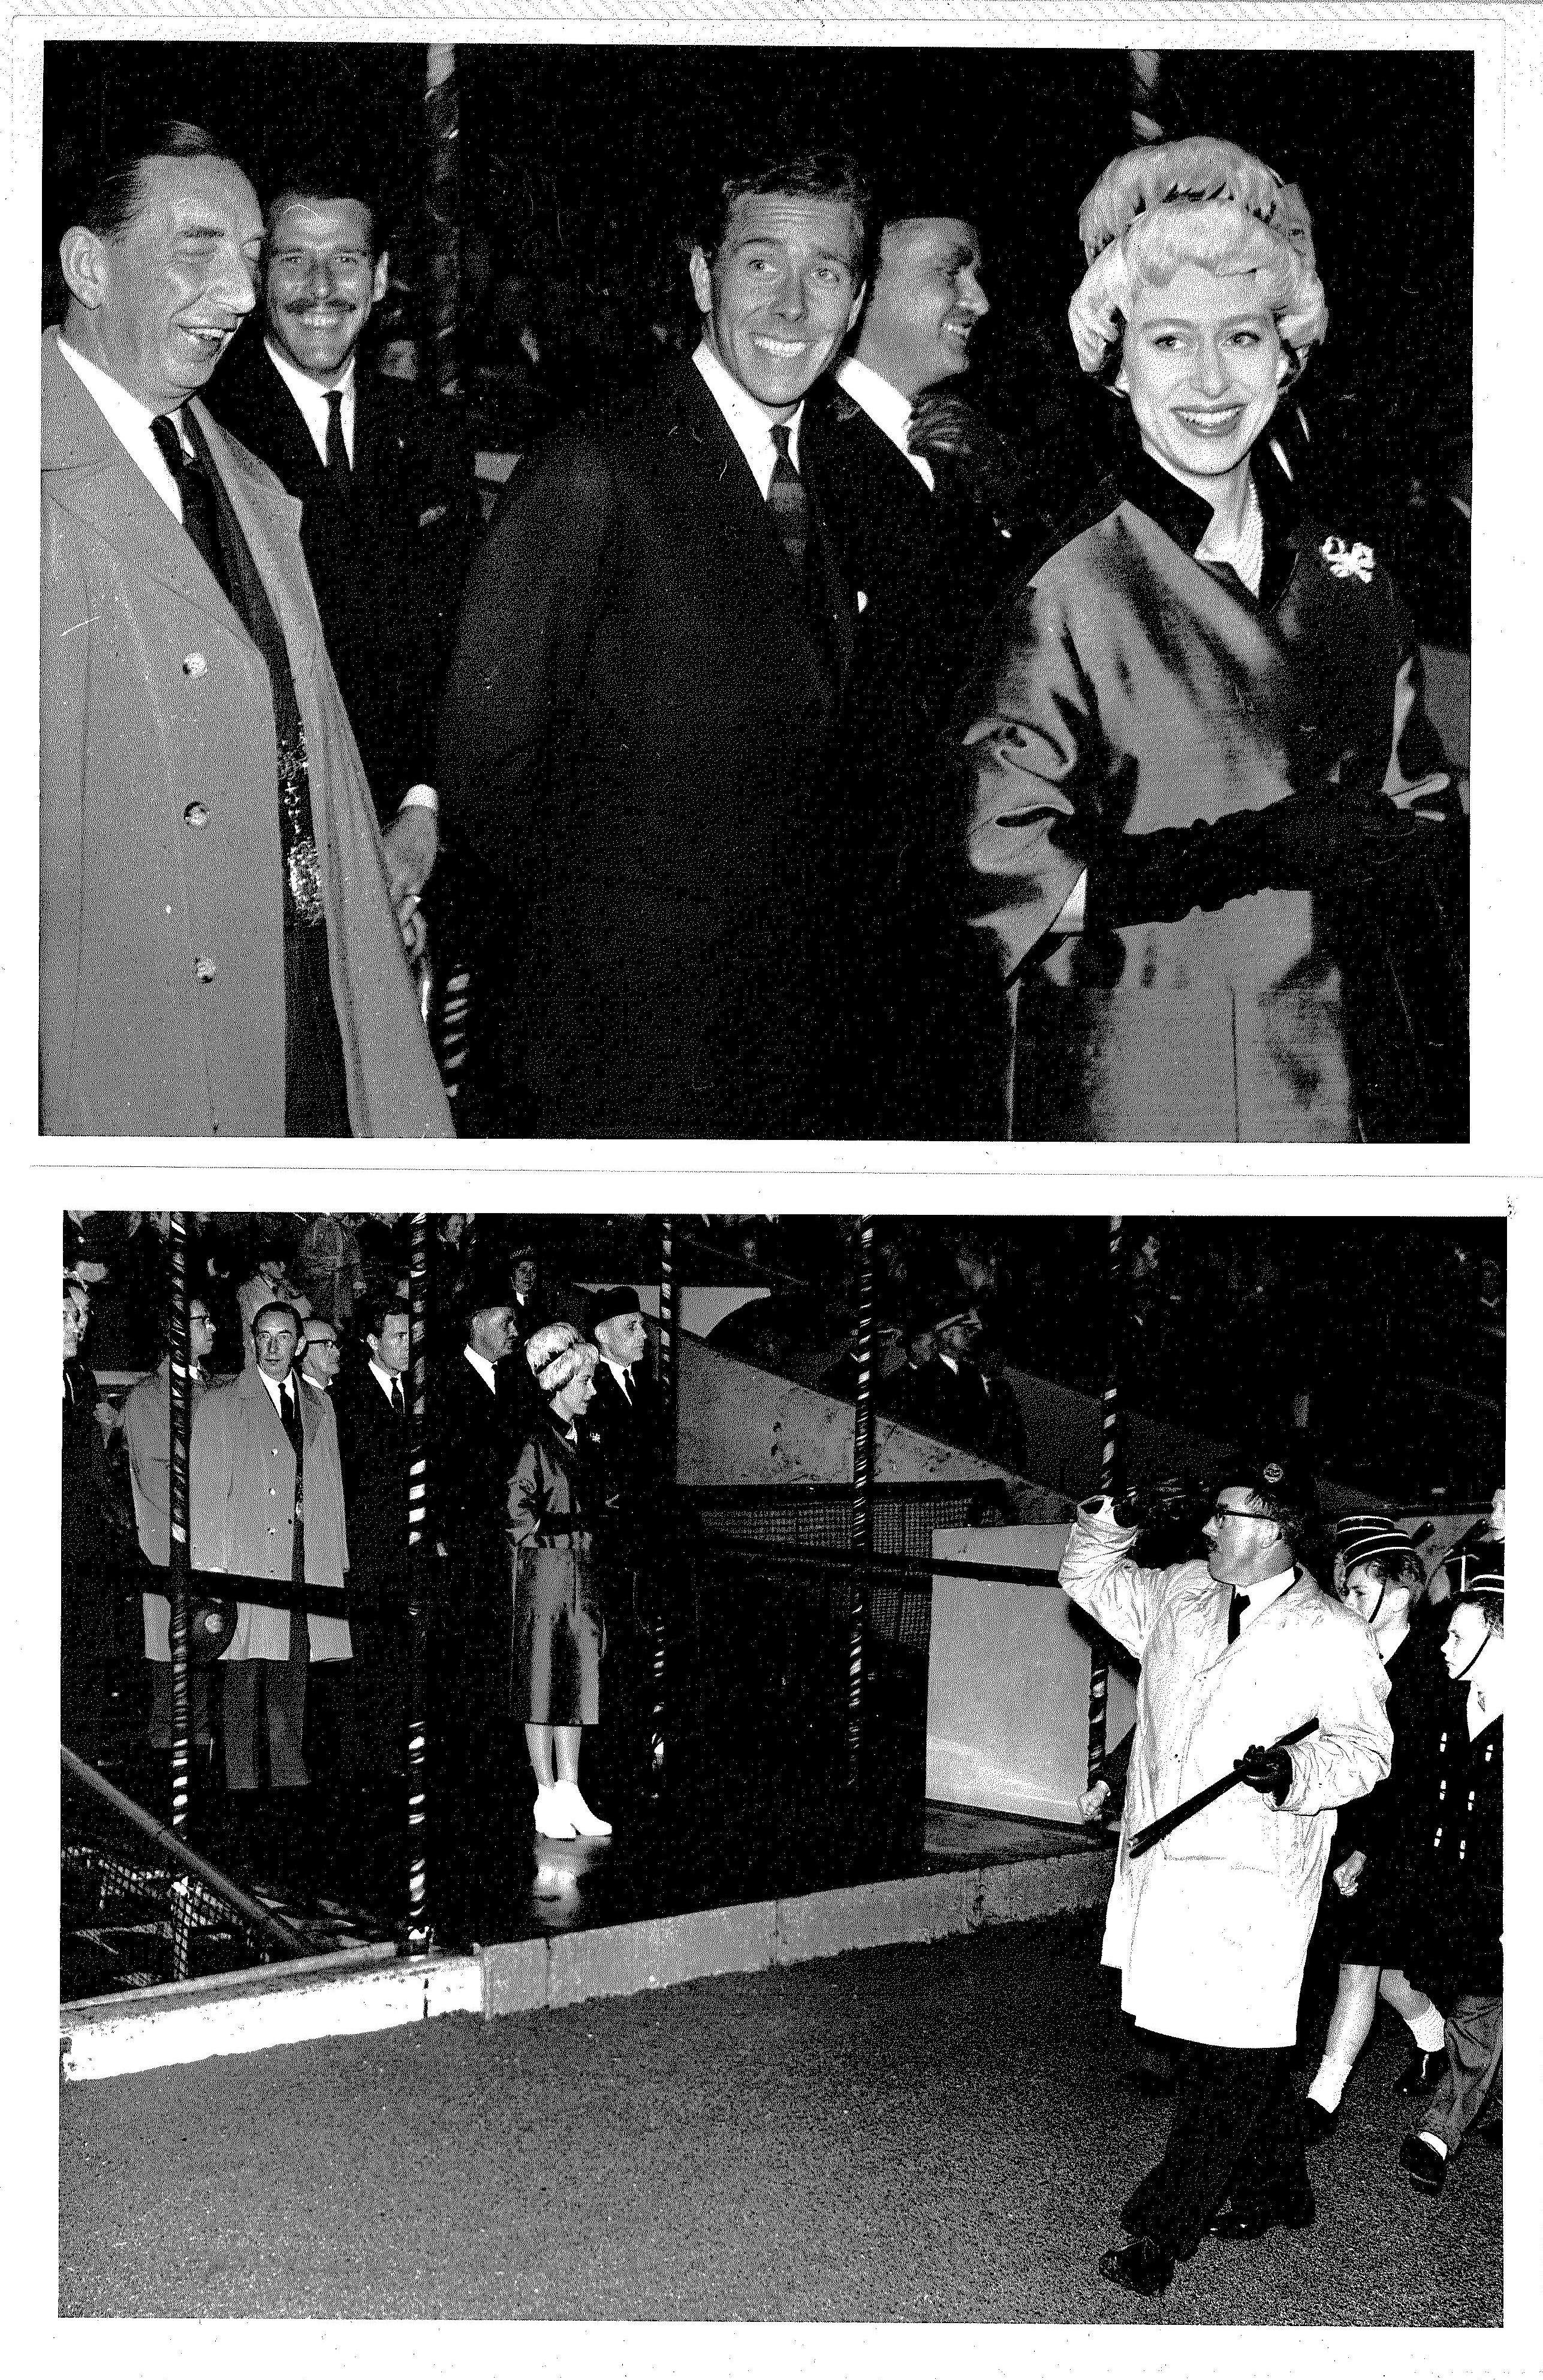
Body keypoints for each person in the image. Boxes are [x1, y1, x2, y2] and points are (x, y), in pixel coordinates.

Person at [958, 135, 1467, 1142]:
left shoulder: (1348, 579)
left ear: (1287, 354)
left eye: (1239, 337)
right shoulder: (1066, 588)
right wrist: (1242, 852)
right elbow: (997, 878)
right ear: (1113, 361)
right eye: (1165, 341)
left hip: (1339, 1086)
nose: (1206, 381)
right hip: (1144, 1084)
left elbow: (1419, 820)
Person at [436, 152, 867, 1135]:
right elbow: (484, 756)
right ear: (701, 276)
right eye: (760, 265)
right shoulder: (596, 466)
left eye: (826, 273)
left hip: (768, 1037)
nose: (792, 305)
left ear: (857, 299)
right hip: (616, 1045)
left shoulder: (831, 477)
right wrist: (605, 929)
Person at [41, 119, 453, 1137]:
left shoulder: (247, 484)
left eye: (247, 257)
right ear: (88, 265)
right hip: (123, 1060)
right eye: (198, 251)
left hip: (291, 1014)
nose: (238, 294)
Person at [1058, 1458, 1391, 2298]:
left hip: (1257, 1882)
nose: (1207, 1527)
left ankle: (1158, 2234)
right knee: (1221, 2042)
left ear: (1274, 1528)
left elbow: (1365, 1749)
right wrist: (1113, 1513)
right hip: (1171, 1870)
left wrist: (1294, 1772)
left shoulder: (1331, 1633)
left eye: (1224, 1515)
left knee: (1224, 2060)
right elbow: (1087, 1575)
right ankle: (1281, 2185)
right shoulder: (1176, 1593)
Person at [803, 194, 1032, 1132]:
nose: (977, 297)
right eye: (953, 268)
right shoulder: (815, 450)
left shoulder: (945, 445)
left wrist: (1006, 497)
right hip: (866, 915)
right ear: (866, 291)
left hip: (938, 899)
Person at [206, 162, 477, 936]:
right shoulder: (208, 426)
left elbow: (457, 640)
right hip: (258, 846)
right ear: (257, 277)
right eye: (293, 259)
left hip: (409, 834)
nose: (319, 286)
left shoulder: (426, 427)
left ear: (383, 275)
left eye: (346, 260)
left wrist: (421, 809)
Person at [1300, 1515, 1454, 2138]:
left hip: (1402, 1835)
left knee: (1358, 1963)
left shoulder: (1431, 1662)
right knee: (1380, 1968)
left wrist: (1367, 1847)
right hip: (1350, 1825)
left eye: (1360, 1591)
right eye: (1346, 1591)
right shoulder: (1349, 1653)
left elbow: (1417, 1774)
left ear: (1402, 1586)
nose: (1349, 1603)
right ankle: (1431, 2032)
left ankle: (1323, 2093)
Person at [190, 1301, 351, 1801]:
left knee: (294, 1660)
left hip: (304, 1554)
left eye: (285, 1335)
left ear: (301, 1344)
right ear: (253, 1340)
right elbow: (206, 1489)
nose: (274, 1345)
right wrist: (210, 1571)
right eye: (265, 1335)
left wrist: (335, 1558)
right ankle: (240, 1782)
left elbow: (332, 1487)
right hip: (246, 1555)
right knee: (243, 1668)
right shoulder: (221, 1402)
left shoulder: (320, 1404)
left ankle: (287, 1774)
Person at [1398, 1549, 1503, 2196]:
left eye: (1458, 1635)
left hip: (1505, 1898)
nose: (1444, 1644)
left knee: (1480, 2010)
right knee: (1454, 1991)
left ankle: (1438, 2132)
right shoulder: (1450, 1704)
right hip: (1449, 1890)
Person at [510, 1324, 611, 1841]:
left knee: (578, 1681)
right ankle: (544, 1791)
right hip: (544, 1577)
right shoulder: (532, 1440)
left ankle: (572, 1789)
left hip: (584, 1574)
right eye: (586, 1380)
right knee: (542, 1683)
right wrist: (574, 1524)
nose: (593, 1390)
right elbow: (516, 1517)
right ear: (560, 1382)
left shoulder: (587, 1437)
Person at [122, 1296, 219, 1749]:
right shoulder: (146, 1397)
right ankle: (165, 1750)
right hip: (170, 1543)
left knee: (208, 1641)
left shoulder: (212, 1392)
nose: (214, 1327)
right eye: (203, 1321)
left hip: (209, 1541)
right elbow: (157, 1474)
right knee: (172, 1652)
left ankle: (198, 1740)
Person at [333, 1296, 414, 1795]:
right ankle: (365, 1761)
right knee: (369, 1658)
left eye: (411, 1335)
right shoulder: (349, 1395)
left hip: (405, 1548)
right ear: (372, 1340)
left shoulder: (412, 1392)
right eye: (398, 1336)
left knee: (399, 1654)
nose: (408, 1345)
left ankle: (393, 1750)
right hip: (367, 1546)